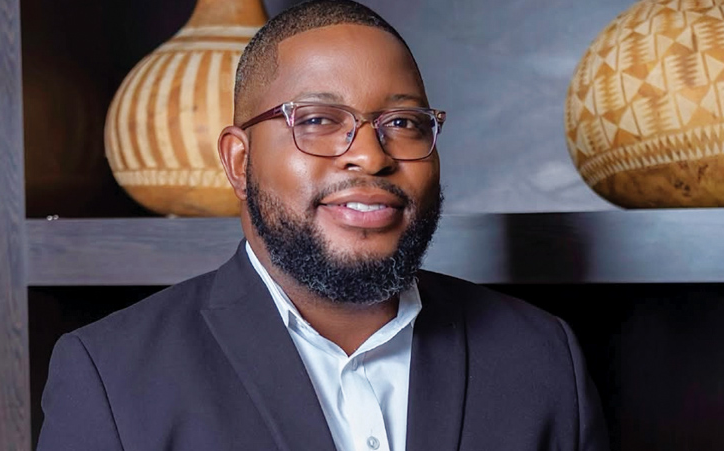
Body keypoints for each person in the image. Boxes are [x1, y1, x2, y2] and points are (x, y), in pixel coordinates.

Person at [36, 1, 610, 450]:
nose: (370, 156)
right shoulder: (110, 375)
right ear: (239, 161)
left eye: (403, 123)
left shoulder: (542, 357)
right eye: (317, 119)